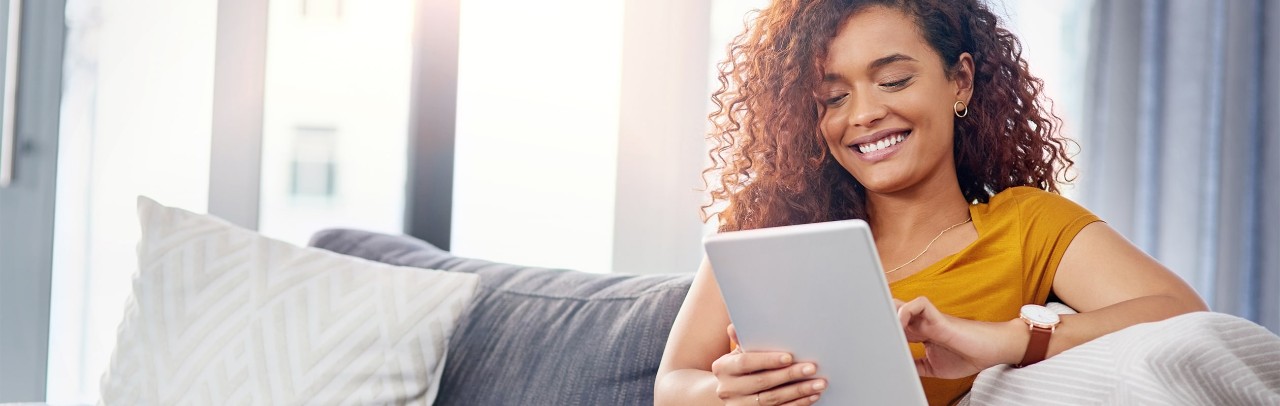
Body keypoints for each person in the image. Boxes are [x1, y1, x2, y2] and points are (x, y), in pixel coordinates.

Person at [653, 1, 1208, 405]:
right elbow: (673, 382)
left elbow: (1181, 316)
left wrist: (1000, 340)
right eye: (833, 97)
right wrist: (728, 392)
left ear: (959, 81)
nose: (862, 114)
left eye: (893, 81)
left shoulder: (1026, 225)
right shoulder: (768, 227)